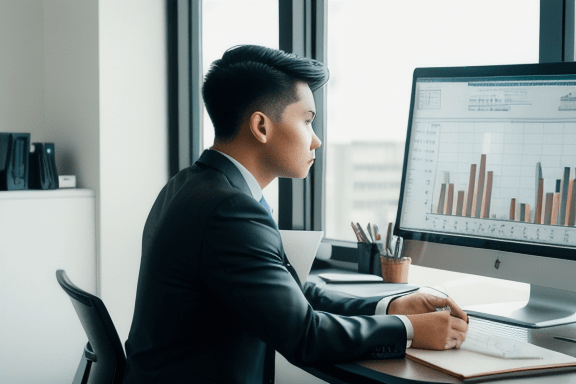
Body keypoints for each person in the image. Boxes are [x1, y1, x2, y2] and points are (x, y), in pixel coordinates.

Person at [123, 45, 468, 384]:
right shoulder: (229, 209)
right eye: (306, 121)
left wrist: (392, 308)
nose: (315, 140)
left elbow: (292, 296)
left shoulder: (192, 184)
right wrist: (409, 330)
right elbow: (305, 335)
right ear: (261, 126)